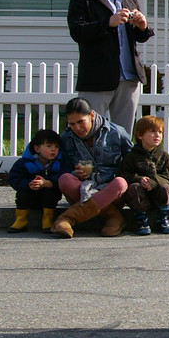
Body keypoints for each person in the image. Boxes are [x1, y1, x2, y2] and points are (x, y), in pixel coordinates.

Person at [67, 0, 154, 131]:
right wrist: (108, 22)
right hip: (97, 78)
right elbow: (78, 32)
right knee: (90, 134)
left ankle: (120, 162)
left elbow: (140, 37)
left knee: (123, 137)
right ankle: (91, 163)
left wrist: (142, 26)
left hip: (129, 78)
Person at [51, 97, 132, 239]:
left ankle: (68, 218)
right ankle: (114, 217)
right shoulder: (66, 138)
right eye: (72, 124)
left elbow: (133, 161)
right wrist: (74, 173)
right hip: (83, 188)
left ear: (92, 115)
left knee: (121, 183)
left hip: (110, 190)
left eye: (81, 122)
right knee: (65, 179)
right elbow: (63, 167)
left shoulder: (116, 132)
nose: (76, 128)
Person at [120, 115, 169, 235]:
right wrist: (139, 179)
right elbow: (123, 174)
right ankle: (142, 220)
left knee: (166, 187)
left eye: (160, 132)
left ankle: (163, 219)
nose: (157, 135)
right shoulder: (132, 156)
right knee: (134, 188)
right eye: (152, 132)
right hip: (140, 197)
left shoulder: (164, 156)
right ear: (140, 135)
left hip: (158, 195)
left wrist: (154, 182)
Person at [6, 129, 64, 233]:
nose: (53, 150)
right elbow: (14, 178)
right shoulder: (24, 163)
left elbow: (63, 176)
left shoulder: (58, 164)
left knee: (50, 193)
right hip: (30, 195)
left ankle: (47, 219)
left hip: (48, 199)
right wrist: (28, 184)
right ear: (37, 148)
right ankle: (21, 219)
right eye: (49, 146)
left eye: (56, 147)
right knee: (22, 195)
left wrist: (49, 183)